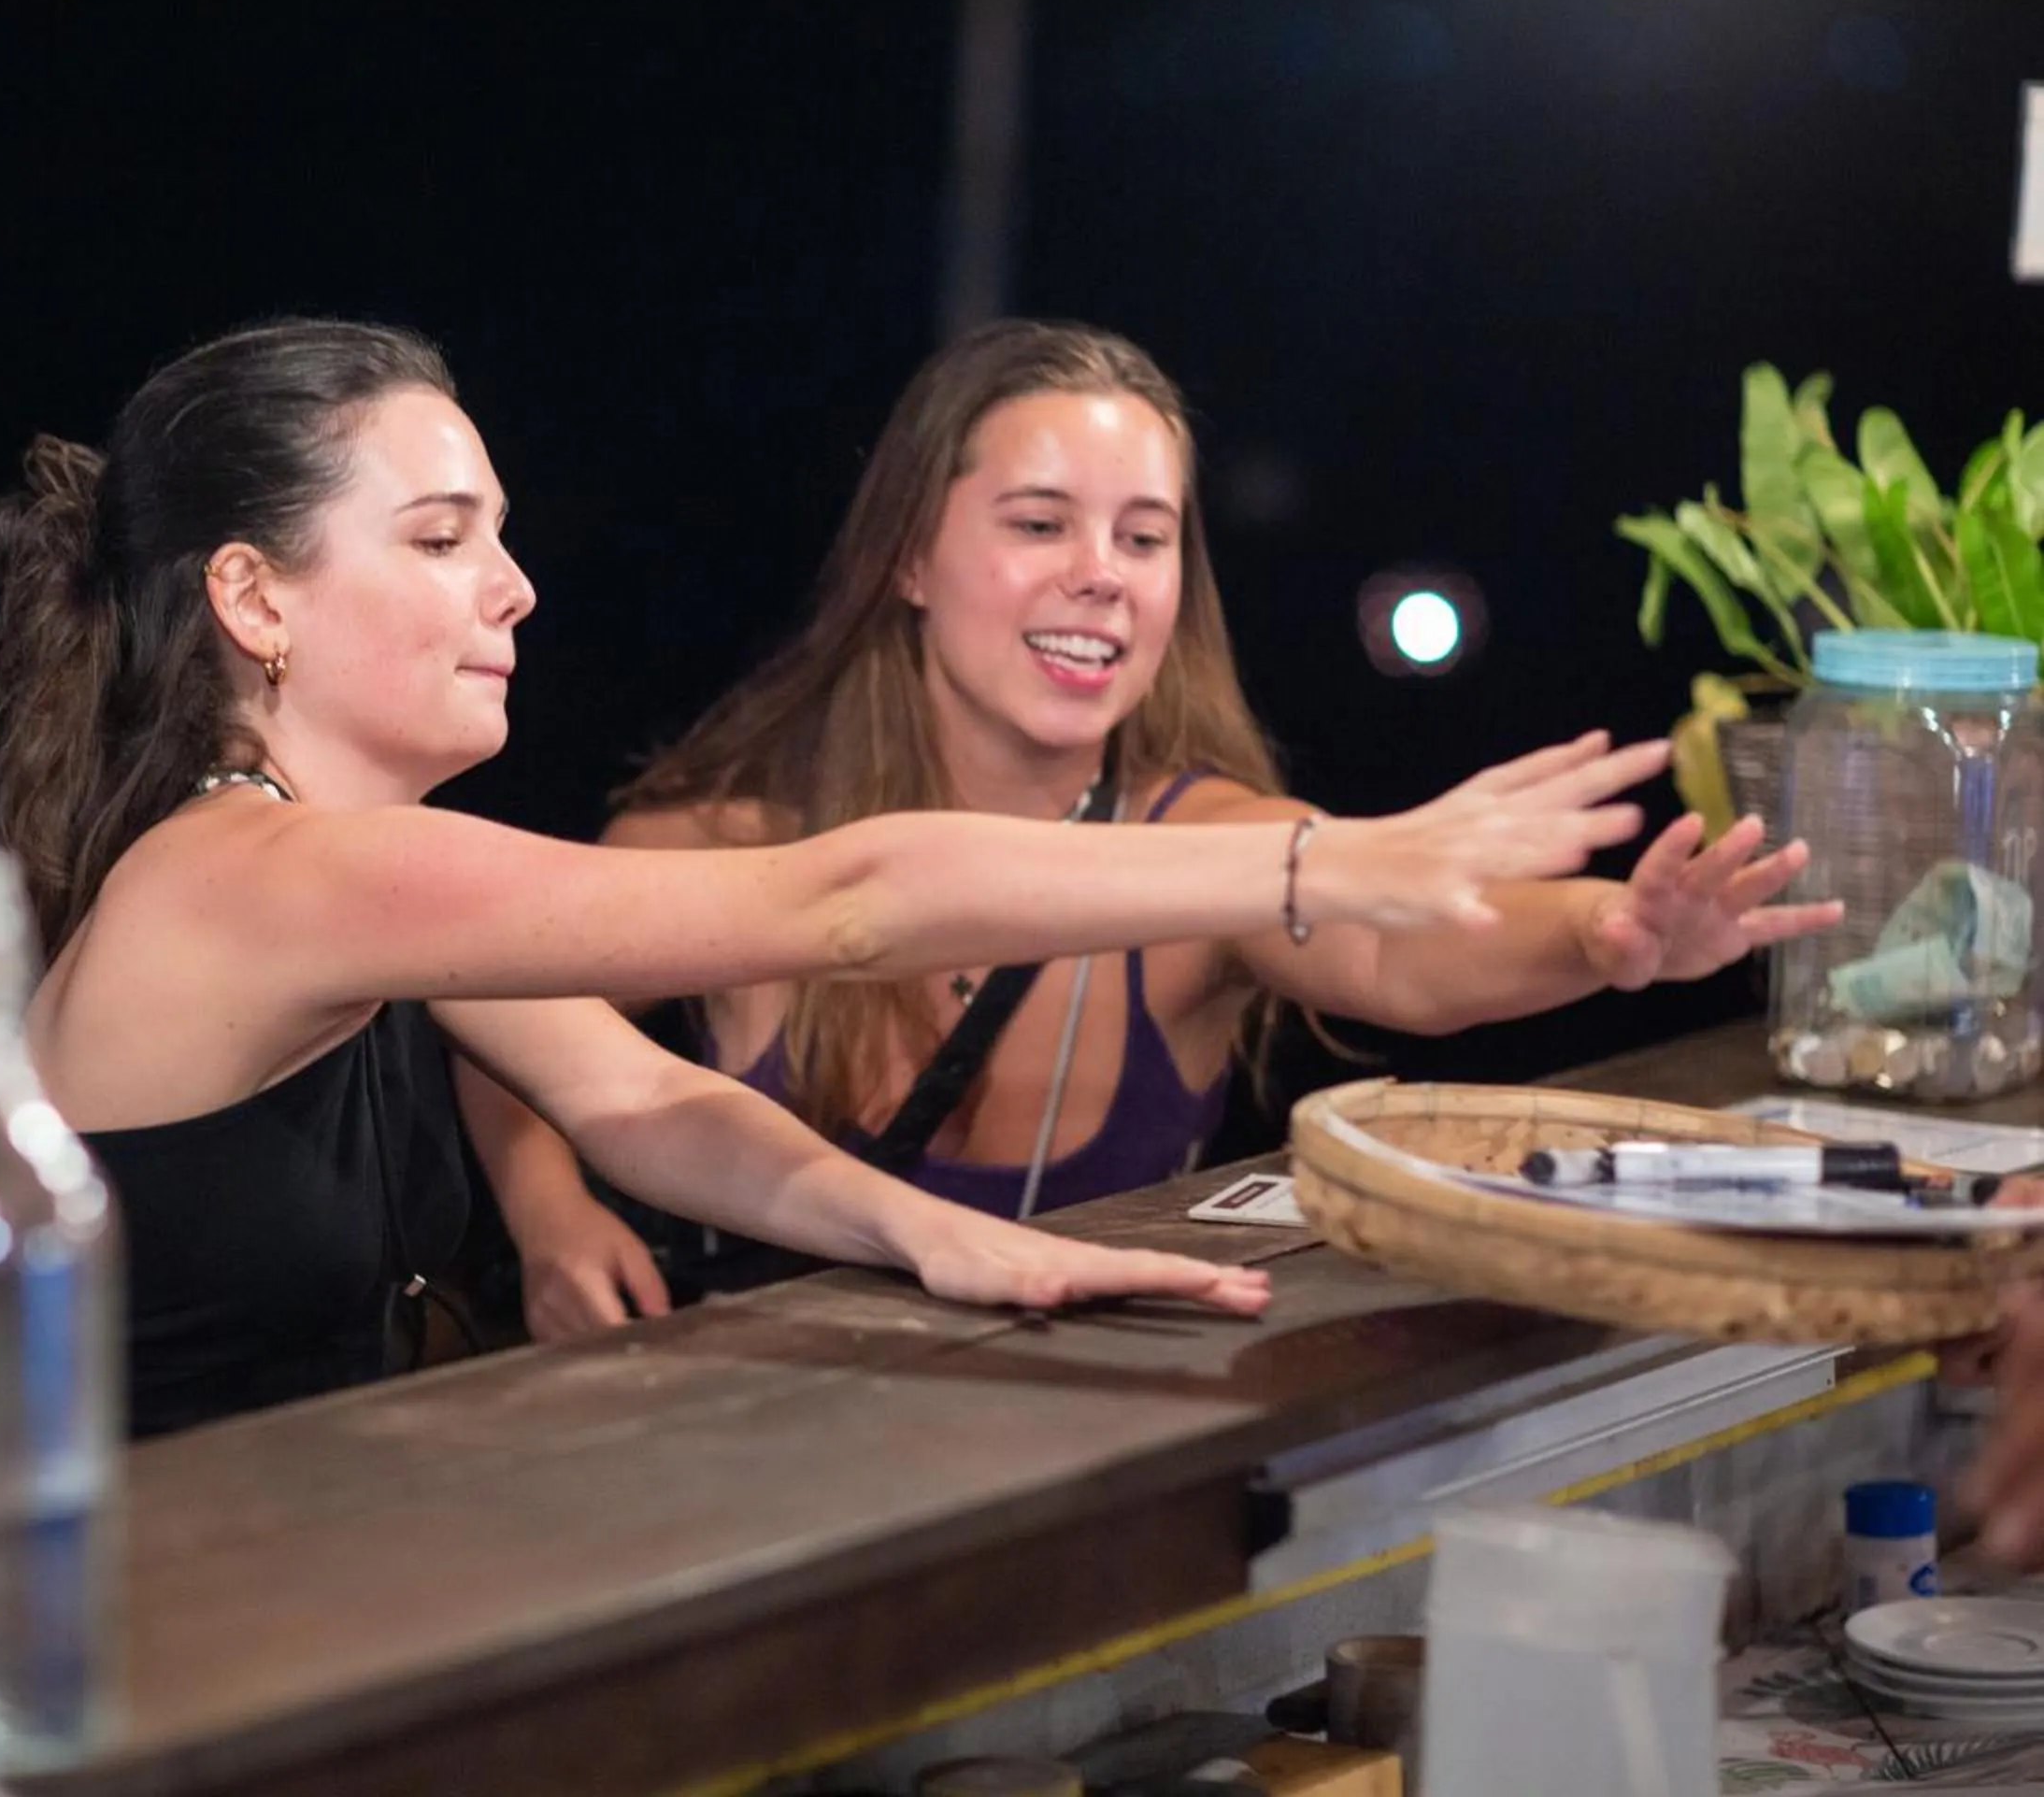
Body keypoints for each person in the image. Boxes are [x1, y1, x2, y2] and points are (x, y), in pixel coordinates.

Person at [0, 316, 1677, 1436]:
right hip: (117, 1642)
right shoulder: (252, 876)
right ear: (256, 603)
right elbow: (839, 900)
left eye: (496, 531)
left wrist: (946, 1243)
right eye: (440, 541)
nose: (516, 589)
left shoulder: (321, 876)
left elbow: (639, 1100)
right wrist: (1338, 857)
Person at [478, 319, 1838, 1339]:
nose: (1100, 578)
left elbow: (1403, 953)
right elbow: (502, 987)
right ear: (907, 557)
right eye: (1039, 523)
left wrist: (1612, 931)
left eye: (1144, 538)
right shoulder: (730, 844)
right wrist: (549, 1215)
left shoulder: (1217, 841)